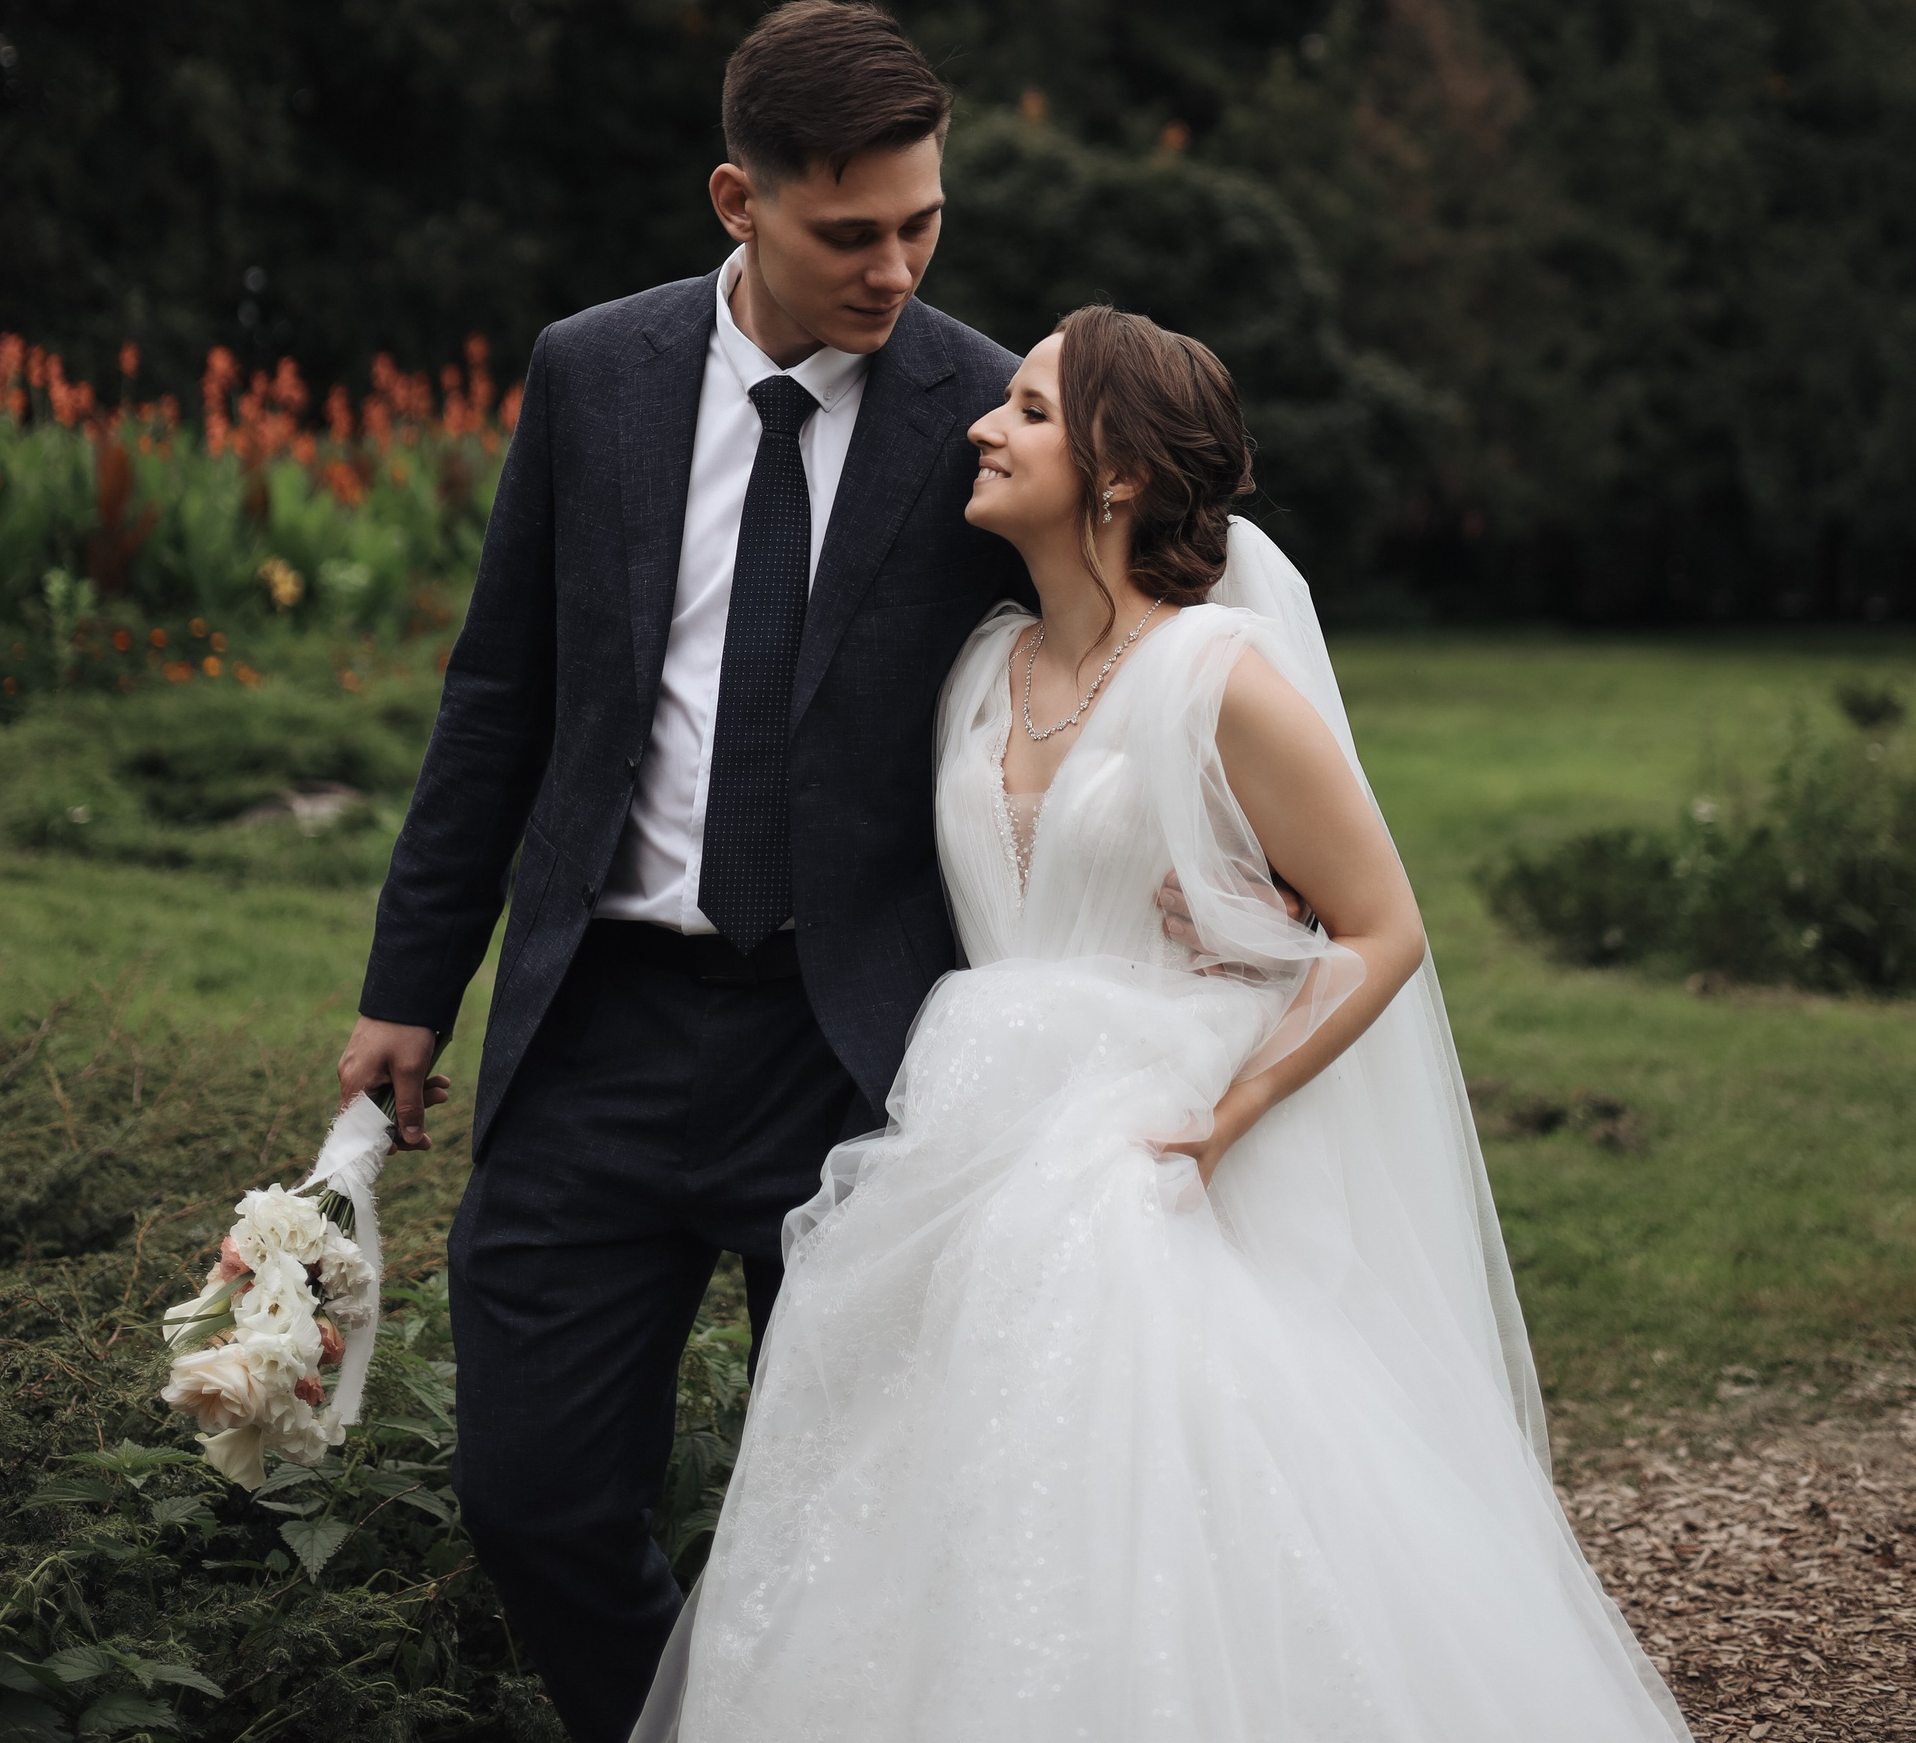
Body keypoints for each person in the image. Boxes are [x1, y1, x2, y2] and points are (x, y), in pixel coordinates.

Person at [634, 306, 1693, 1743]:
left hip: (1146, 1131)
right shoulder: (984, 669)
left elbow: (1383, 927)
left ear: (1119, 472)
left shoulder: (1217, 674)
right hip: (968, 1129)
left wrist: (1224, 1113)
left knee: (1136, 1481)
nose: (982, 426)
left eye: (1027, 410)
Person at [335, 0, 1030, 1743]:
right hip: (600, 1025)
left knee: (859, 1531)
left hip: (857, 1040)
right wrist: (409, 985)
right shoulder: (595, 372)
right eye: (850, 233)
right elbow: (499, 696)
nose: (895, 270)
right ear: (739, 198)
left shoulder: (986, 405)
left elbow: (1103, 659)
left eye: (923, 225)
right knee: (535, 1498)